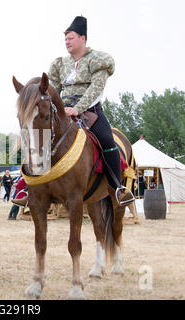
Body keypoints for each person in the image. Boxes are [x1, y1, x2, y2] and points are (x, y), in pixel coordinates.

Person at [48, 16, 134, 206]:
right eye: (65, 39)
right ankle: (26, 187)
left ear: (82, 38)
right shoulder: (60, 64)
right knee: (39, 135)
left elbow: (96, 89)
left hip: (90, 111)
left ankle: (117, 187)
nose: (66, 42)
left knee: (106, 140)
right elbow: (54, 90)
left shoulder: (98, 60)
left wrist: (77, 109)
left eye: (70, 38)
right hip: (62, 112)